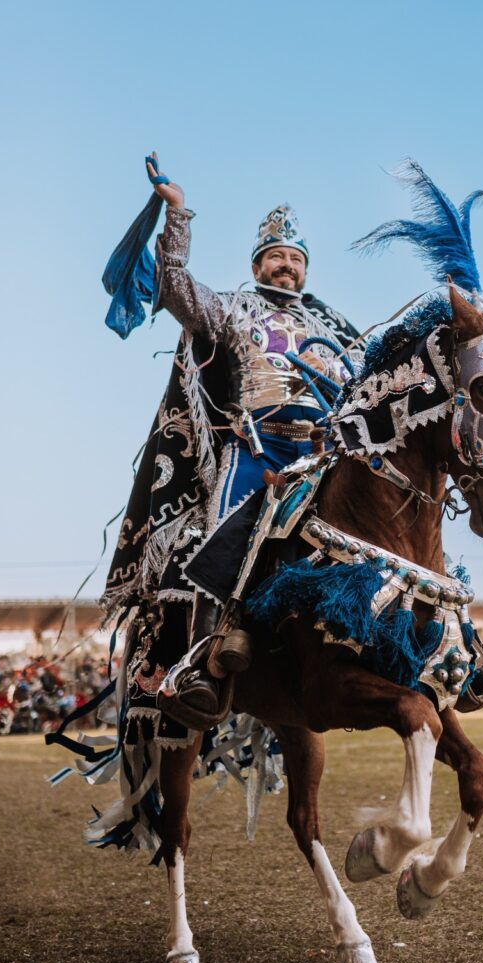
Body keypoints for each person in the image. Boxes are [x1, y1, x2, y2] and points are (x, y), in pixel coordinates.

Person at [101, 154, 362, 745]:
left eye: (296, 259)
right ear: (257, 263)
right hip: (255, 450)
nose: (287, 267)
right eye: (277, 257)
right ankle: (206, 660)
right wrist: (177, 214)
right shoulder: (234, 306)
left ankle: (424, 642)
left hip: (320, 457)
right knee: (226, 537)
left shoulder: (337, 325)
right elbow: (173, 286)